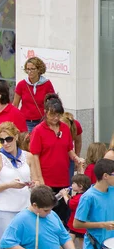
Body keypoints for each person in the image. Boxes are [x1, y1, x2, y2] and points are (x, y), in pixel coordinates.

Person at [30, 93, 84, 225]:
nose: (55, 118)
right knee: (47, 214)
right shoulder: (38, 130)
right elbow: (34, 155)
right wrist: (39, 178)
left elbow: (68, 148)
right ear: (45, 112)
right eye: (52, 114)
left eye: (58, 115)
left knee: (63, 214)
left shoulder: (65, 128)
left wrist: (76, 158)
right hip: (47, 178)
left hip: (63, 177)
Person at [73, 158, 114, 249]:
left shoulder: (112, 190)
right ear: (105, 176)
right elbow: (76, 224)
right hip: (94, 248)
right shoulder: (88, 197)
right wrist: (103, 225)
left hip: (111, 246)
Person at [13, 57, 55, 132]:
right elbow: (15, 105)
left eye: (33, 69)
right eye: (28, 69)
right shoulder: (21, 84)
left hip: (42, 121)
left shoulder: (47, 84)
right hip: (26, 122)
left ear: (39, 70)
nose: (30, 72)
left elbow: (53, 103)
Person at [59, 174, 91, 249]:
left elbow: (70, 204)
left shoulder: (80, 197)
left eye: (73, 183)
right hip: (79, 225)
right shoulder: (83, 196)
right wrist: (68, 196)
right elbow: (73, 201)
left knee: (70, 240)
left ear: (80, 187)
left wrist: (64, 195)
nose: (72, 185)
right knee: (71, 239)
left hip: (77, 224)